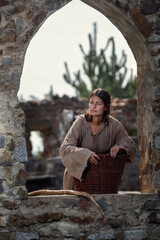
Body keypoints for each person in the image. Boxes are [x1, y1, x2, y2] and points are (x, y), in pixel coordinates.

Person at [60, 88, 136, 190]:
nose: (93, 106)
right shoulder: (80, 123)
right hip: (76, 182)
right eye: (91, 102)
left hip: (103, 183)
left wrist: (119, 147)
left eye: (98, 103)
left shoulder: (114, 125)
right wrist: (85, 154)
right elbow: (65, 149)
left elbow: (131, 145)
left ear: (106, 107)